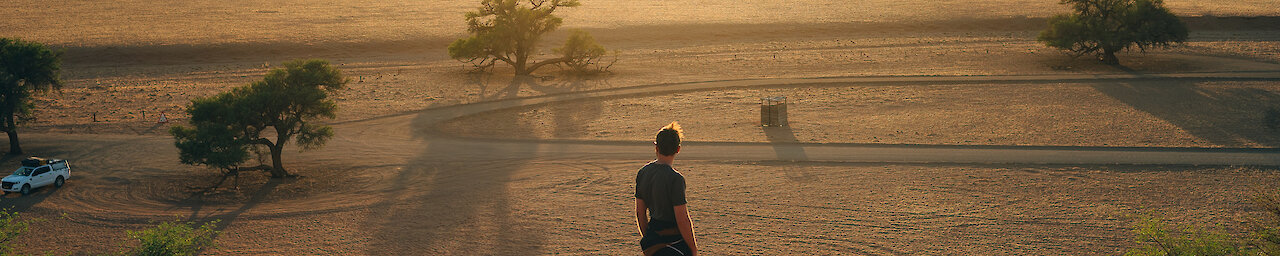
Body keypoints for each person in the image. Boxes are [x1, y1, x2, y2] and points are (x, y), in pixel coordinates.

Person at [636, 122, 697, 256]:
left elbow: (640, 213)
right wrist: (693, 249)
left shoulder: (643, 173)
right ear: (678, 149)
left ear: (656, 147)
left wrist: (649, 239)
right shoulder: (675, 179)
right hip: (673, 239)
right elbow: (682, 219)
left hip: (653, 237)